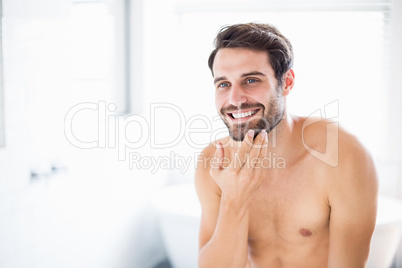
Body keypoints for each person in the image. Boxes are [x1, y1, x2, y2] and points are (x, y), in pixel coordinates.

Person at [195, 23, 378, 268]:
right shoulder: (213, 163)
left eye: (251, 80)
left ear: (287, 82)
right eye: (224, 84)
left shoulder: (341, 155)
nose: (235, 99)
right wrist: (234, 200)